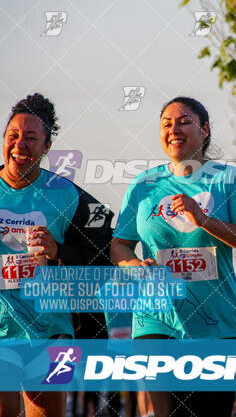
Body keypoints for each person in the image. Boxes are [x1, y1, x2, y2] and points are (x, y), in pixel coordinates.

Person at [111, 96, 236, 417]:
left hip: (217, 324)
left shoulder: (228, 180)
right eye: (166, 123)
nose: (173, 129)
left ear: (205, 129)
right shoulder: (143, 185)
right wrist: (136, 267)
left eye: (184, 121)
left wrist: (204, 220)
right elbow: (119, 245)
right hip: (154, 317)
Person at [0, 93, 113, 417]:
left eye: (31, 138)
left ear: (47, 147)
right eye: (13, 136)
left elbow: (105, 251)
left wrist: (58, 251)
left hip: (54, 329)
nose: (19, 145)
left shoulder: (67, 195)